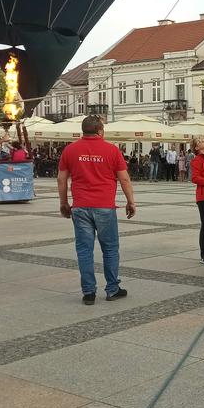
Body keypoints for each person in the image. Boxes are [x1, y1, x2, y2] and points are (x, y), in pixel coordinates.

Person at [57, 114, 135, 305]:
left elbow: (61, 179)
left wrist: (64, 203)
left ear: (83, 131)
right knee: (110, 249)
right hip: (104, 207)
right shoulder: (112, 150)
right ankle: (112, 289)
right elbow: (124, 179)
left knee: (84, 250)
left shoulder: (70, 150)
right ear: (100, 130)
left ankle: (89, 292)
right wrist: (130, 201)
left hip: (81, 206)